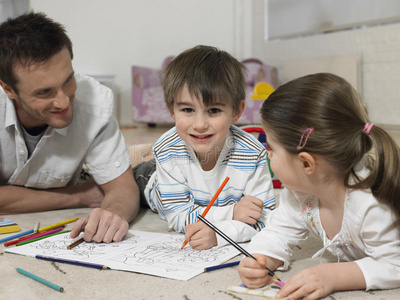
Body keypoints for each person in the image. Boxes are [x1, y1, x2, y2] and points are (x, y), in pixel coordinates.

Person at [238, 73, 400, 299]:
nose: (267, 153)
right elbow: (277, 232)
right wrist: (260, 258)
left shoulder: (371, 205)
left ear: (306, 163)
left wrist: (335, 275)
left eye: (272, 148)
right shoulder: (299, 193)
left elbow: (395, 264)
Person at [0, 12, 140, 243]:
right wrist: (79, 195)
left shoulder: (96, 102)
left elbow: (123, 188)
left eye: (68, 80)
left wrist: (112, 215)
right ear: (9, 90)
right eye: (44, 92)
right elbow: (92, 193)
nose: (64, 102)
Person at [132, 45, 275, 250]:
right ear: (172, 111)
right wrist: (231, 214)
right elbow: (177, 215)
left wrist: (220, 234)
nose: (199, 125)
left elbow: (264, 219)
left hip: (189, 180)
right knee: (122, 184)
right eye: (188, 109)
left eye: (213, 110)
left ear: (236, 111)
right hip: (150, 182)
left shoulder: (253, 154)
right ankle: (144, 158)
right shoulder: (168, 150)